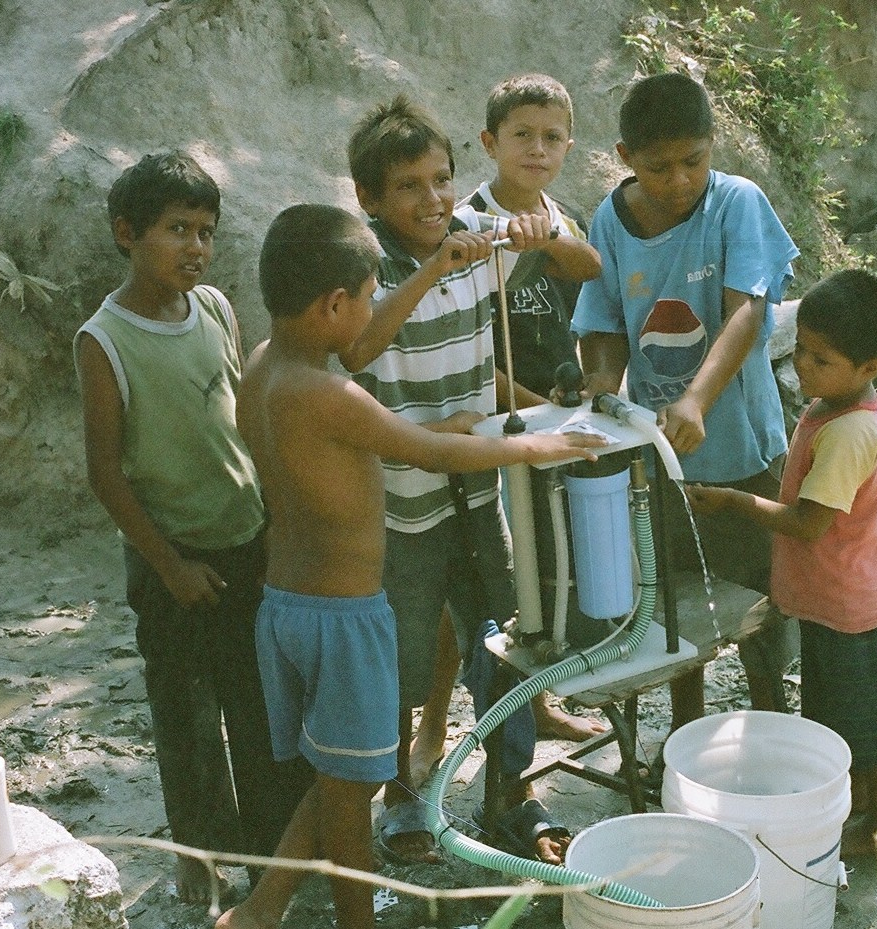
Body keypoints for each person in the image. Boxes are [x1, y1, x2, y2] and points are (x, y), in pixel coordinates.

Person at [216, 204, 601, 929]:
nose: (371, 315)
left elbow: (354, 448)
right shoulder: (330, 392)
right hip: (347, 618)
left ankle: (260, 908)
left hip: (285, 605)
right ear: (336, 304)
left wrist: (436, 425)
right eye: (367, 299)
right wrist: (535, 447)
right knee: (350, 792)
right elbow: (430, 454)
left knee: (339, 771)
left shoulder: (264, 367)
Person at [338, 94, 601, 865]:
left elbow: (588, 266)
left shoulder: (477, 235)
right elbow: (357, 350)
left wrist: (542, 233)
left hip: (482, 491)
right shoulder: (365, 264)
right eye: (410, 187)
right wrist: (430, 270)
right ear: (370, 200)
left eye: (442, 180)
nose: (433, 200)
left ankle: (509, 790)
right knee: (404, 659)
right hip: (404, 504)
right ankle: (402, 793)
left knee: (501, 641)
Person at [73, 151, 311, 905]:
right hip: (171, 561)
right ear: (126, 232)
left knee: (259, 705)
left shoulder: (214, 308)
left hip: (246, 544)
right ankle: (197, 860)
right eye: (177, 229)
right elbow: (107, 473)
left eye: (205, 231)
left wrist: (272, 518)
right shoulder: (103, 340)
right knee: (187, 720)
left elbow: (241, 421)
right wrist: (170, 564)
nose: (196, 247)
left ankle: (272, 861)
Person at [571, 71, 799, 733]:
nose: (678, 181)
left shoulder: (737, 203)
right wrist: (598, 391)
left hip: (743, 447)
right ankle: (686, 730)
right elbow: (604, 322)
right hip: (663, 459)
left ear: (712, 145)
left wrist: (696, 400)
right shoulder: (608, 222)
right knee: (674, 608)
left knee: (762, 601)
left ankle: (771, 720)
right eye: (658, 167)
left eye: (692, 162)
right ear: (624, 160)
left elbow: (746, 314)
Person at [404, 73, 610, 788]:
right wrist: (532, 408)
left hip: (544, 423)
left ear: (569, 148)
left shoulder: (562, 216)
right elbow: (464, 352)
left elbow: (588, 275)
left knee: (534, 575)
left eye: (552, 137)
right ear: (489, 144)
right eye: (521, 135)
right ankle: (432, 724)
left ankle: (538, 701)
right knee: (463, 598)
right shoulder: (462, 226)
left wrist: (551, 234)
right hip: (483, 424)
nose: (537, 148)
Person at [686, 269, 877, 857]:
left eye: (821, 359)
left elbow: (807, 521)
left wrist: (733, 501)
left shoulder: (848, 432)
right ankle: (861, 807)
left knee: (867, 724)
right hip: (835, 598)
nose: (802, 367)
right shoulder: (834, 404)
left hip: (850, 605)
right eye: (800, 350)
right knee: (841, 716)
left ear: (870, 367)